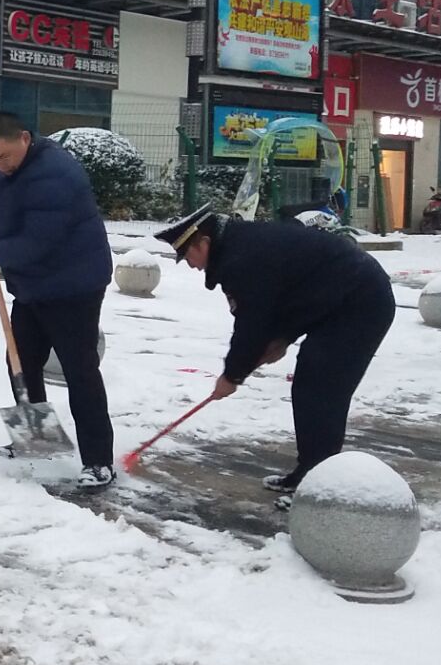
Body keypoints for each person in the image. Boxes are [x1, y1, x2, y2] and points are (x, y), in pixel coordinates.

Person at [154, 206, 396, 507]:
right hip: (338, 301)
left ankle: (318, 490)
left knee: (321, 389)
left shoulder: (240, 259)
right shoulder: (240, 248)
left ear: (203, 243)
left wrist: (232, 375)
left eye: (186, 255)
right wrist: (282, 338)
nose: (189, 265)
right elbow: (291, 291)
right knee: (311, 385)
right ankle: (310, 474)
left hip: (362, 303)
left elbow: (252, 325)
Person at [0, 114, 116, 488]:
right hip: (36, 285)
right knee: (20, 360)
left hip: (73, 286)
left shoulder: (55, 175)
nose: (0, 165)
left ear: (24, 138)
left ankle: (99, 461)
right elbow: (1, 182)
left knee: (79, 370)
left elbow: (40, 241)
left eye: (4, 156)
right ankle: (38, 438)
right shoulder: (18, 166)